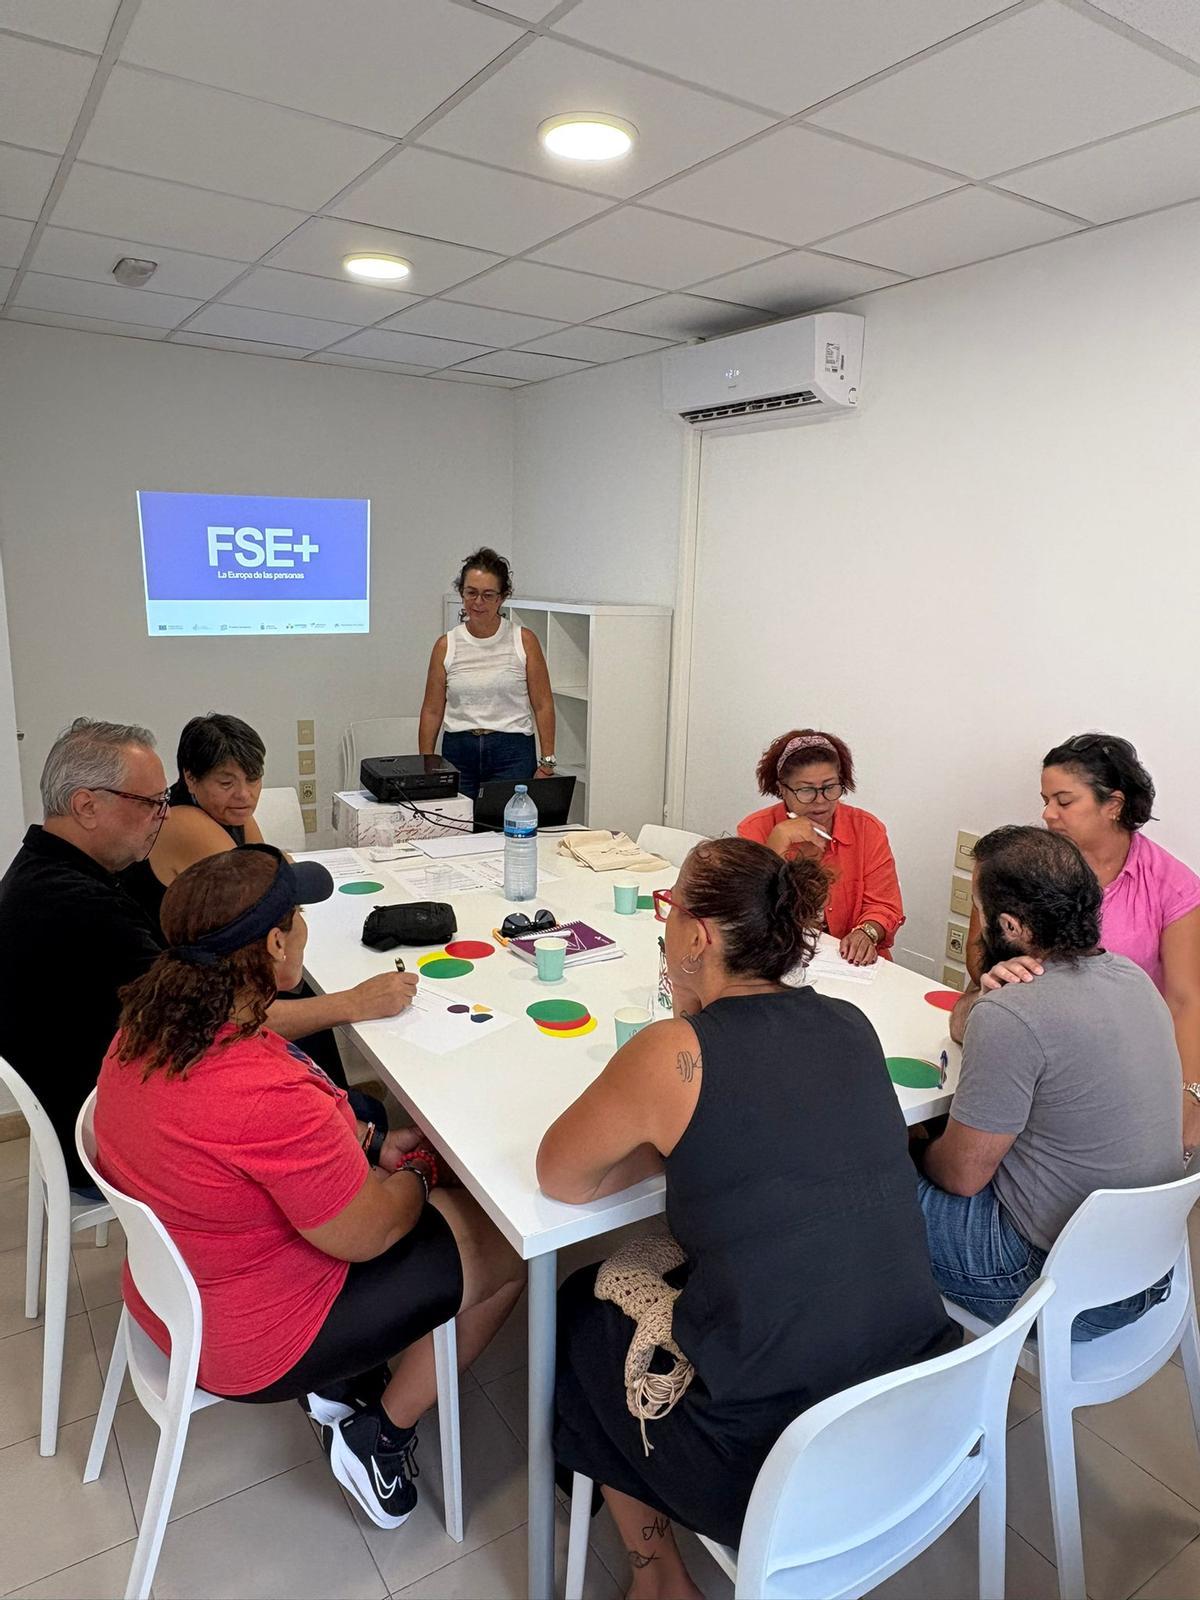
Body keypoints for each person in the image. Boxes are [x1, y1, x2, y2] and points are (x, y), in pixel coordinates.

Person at [538, 838, 955, 1597]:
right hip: (921, 1417)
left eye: (668, 911)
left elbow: (561, 1177)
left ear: (697, 936)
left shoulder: (675, 1051)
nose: (664, 930)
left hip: (775, 1471)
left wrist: (663, 1138)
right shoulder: (850, 1022)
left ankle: (658, 1575)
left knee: (582, 1307)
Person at [95, 846, 525, 1529]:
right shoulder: (260, 1092)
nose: (301, 930)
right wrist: (412, 1172)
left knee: (386, 1151)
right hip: (250, 1340)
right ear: (273, 945)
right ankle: (378, 1433)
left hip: (173, 1293)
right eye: (296, 919)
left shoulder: (151, 1029)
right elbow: (372, 1232)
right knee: (503, 1247)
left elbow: (275, 1137)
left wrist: (368, 1148)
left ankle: (347, 1378)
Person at [0, 718, 416, 1193]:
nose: (163, 815)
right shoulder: (80, 909)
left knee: (331, 1097)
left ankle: (361, 1152)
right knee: (337, 1111)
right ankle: (359, 1188)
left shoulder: (48, 872)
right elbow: (212, 1022)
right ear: (86, 806)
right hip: (109, 1135)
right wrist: (353, 1004)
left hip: (108, 1098)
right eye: (151, 803)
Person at [919, 825, 1182, 1338]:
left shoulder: (1014, 1015)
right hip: (1151, 1268)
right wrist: (989, 991)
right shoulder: (1132, 978)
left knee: (859, 1193)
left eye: (980, 910)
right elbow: (962, 1024)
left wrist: (912, 1147)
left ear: (1010, 925)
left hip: (1057, 1287)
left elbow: (961, 1178)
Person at [952, 734, 1200, 1148]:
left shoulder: (1171, 886)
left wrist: (1190, 1097)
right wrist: (997, 972)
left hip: (1113, 1060)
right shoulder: (1027, 864)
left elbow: (1185, 1000)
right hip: (1022, 1036)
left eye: (1063, 802)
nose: (1048, 814)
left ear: (1113, 805)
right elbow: (980, 956)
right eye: (1046, 800)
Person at [737, 727, 903, 964]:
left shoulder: (867, 828)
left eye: (829, 787)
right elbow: (746, 915)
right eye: (806, 790)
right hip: (778, 959)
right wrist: (777, 845)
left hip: (850, 965)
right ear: (782, 789)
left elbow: (885, 906)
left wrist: (866, 932)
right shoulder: (754, 829)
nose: (820, 801)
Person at [418, 547, 556, 800]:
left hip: (512, 751)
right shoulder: (445, 645)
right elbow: (432, 710)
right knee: (457, 830)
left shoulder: (524, 640)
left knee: (508, 828)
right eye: (471, 593)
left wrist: (547, 762)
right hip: (459, 751)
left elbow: (543, 704)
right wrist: (426, 763)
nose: (478, 602)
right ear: (461, 593)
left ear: (502, 598)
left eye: (487, 595)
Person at [120, 711, 267, 928]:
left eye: (253, 779)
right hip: (156, 955)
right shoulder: (181, 820)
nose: (244, 794)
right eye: (226, 783)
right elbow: (260, 899)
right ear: (190, 778)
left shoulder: (231, 811)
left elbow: (270, 872)